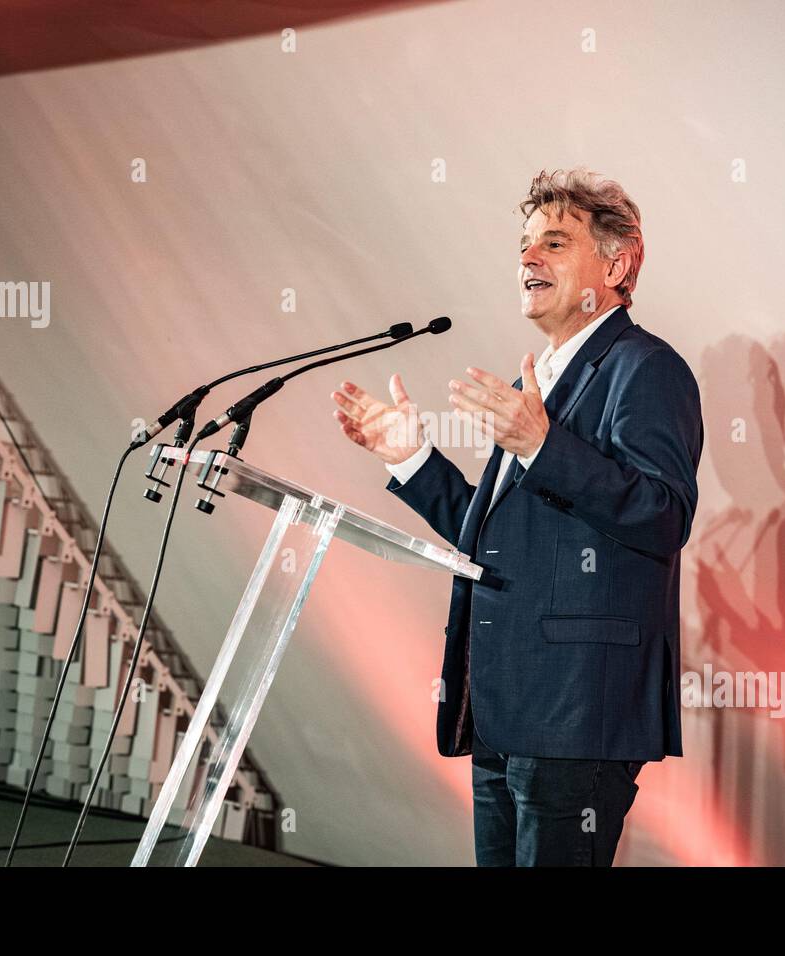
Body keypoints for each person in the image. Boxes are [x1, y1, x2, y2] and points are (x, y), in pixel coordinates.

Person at [331, 167, 703, 866]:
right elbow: (497, 537)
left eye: (555, 244)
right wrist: (410, 457)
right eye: (525, 245)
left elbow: (663, 516)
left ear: (617, 263)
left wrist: (542, 445)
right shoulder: (534, 380)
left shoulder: (646, 369)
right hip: (504, 707)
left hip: (577, 712)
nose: (528, 258)